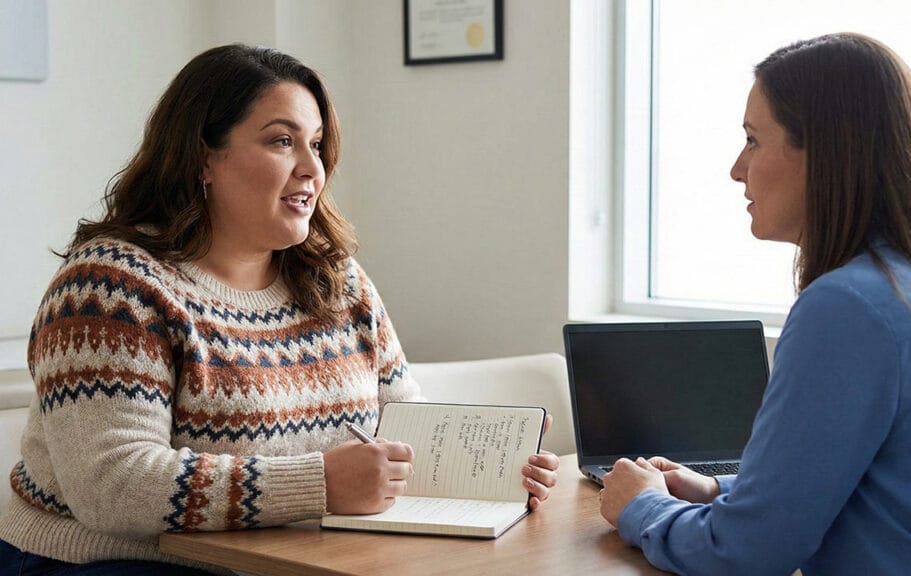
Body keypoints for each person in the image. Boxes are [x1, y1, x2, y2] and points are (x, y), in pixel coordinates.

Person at [0, 44, 559, 574]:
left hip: (304, 559)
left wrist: (489, 471)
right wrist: (318, 484)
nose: (311, 169)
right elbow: (113, 486)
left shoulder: (337, 280)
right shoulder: (108, 290)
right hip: (108, 562)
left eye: (316, 144)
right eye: (280, 141)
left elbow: (402, 432)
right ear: (203, 158)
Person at [599, 32, 911, 575]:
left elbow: (744, 555)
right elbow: (890, 486)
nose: (736, 168)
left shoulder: (848, 308)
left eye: (753, 140)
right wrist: (719, 490)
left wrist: (642, 505)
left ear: (825, 153)